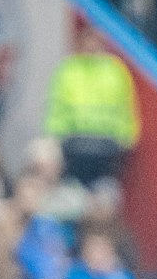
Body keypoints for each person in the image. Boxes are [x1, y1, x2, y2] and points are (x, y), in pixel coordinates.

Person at [46, 26, 140, 186]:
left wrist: (126, 139)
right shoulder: (68, 70)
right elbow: (56, 108)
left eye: (95, 41)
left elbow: (126, 110)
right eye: (88, 40)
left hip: (108, 146)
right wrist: (55, 137)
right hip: (71, 143)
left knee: (105, 194)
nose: (91, 45)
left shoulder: (115, 71)